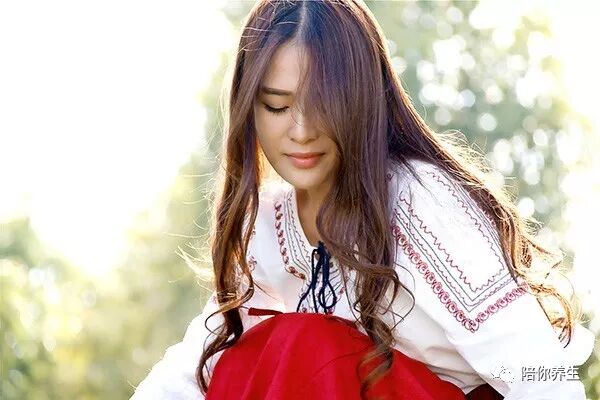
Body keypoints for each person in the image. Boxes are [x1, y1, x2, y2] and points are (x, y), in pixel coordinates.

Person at [130, 1, 595, 399]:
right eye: (277, 105)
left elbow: (542, 371)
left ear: (362, 100)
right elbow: (193, 367)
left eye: (324, 103)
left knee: (306, 346)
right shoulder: (268, 226)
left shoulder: (417, 201)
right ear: (249, 108)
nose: (301, 131)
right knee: (246, 357)